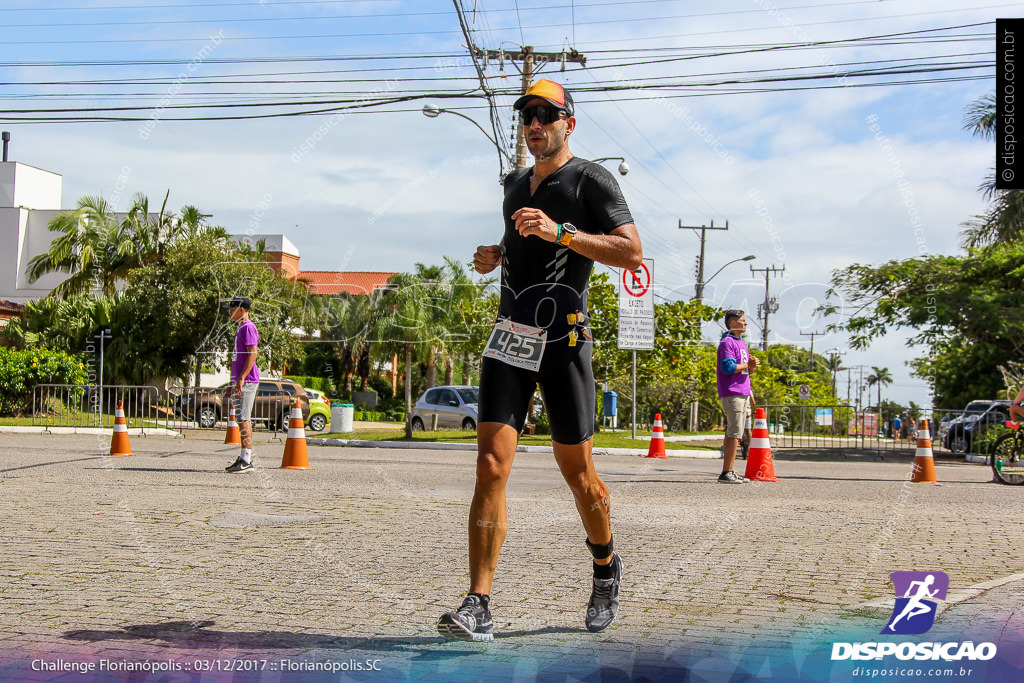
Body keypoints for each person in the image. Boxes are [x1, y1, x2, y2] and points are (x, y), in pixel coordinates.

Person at [436, 79, 643, 642]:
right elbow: (521, 248)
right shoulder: (512, 186)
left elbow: (631, 251)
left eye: (545, 115)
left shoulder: (591, 181)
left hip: (565, 340)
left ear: (568, 122)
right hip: (510, 335)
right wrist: (495, 254)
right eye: (527, 115)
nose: (534, 124)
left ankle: (605, 567)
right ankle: (479, 602)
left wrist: (565, 233)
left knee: (580, 476)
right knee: (489, 465)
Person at [717, 310, 759, 483]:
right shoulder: (727, 343)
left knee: (735, 432)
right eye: (743, 320)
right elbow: (727, 367)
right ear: (733, 323)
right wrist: (746, 365)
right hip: (732, 392)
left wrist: (752, 366)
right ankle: (727, 471)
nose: (746, 323)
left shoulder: (741, 343)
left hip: (742, 392)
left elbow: (746, 369)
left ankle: (729, 470)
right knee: (735, 432)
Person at [223, 295, 260, 474]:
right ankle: (243, 457)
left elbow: (253, 354)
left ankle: (247, 459)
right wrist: (233, 381)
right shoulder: (240, 329)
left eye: (232, 309)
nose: (230, 312)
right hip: (240, 381)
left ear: (242, 310)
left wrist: (242, 378)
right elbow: (238, 358)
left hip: (248, 380)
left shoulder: (249, 328)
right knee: (240, 418)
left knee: (244, 418)